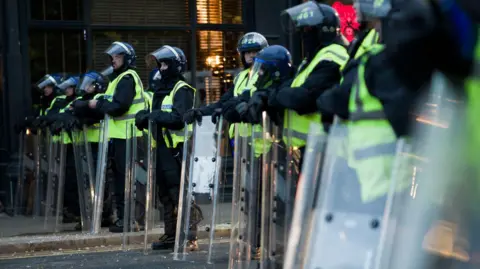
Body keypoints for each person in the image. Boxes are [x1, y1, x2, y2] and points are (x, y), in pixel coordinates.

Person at [135, 45, 196, 250]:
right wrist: (144, 118)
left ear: (175, 66)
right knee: (165, 193)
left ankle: (188, 236)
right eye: (160, 64)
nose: (161, 68)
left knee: (178, 191)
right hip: (160, 147)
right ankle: (171, 235)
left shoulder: (182, 89)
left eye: (165, 64)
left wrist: (154, 117)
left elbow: (179, 119)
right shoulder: (161, 90)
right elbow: (157, 115)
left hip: (177, 148)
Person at [87, 41, 145, 233]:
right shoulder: (117, 79)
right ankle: (123, 218)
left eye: (118, 57)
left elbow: (119, 107)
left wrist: (98, 105)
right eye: (112, 57)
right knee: (120, 179)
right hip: (119, 137)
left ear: (127, 59)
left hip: (129, 136)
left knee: (128, 179)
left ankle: (130, 219)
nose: (113, 60)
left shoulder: (128, 78)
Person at [183, 32, 268, 133]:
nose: (250, 55)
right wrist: (201, 111)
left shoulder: (267, 74)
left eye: (254, 51)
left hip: (262, 140)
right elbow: (223, 102)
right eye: (247, 52)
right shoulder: (240, 76)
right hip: (240, 141)